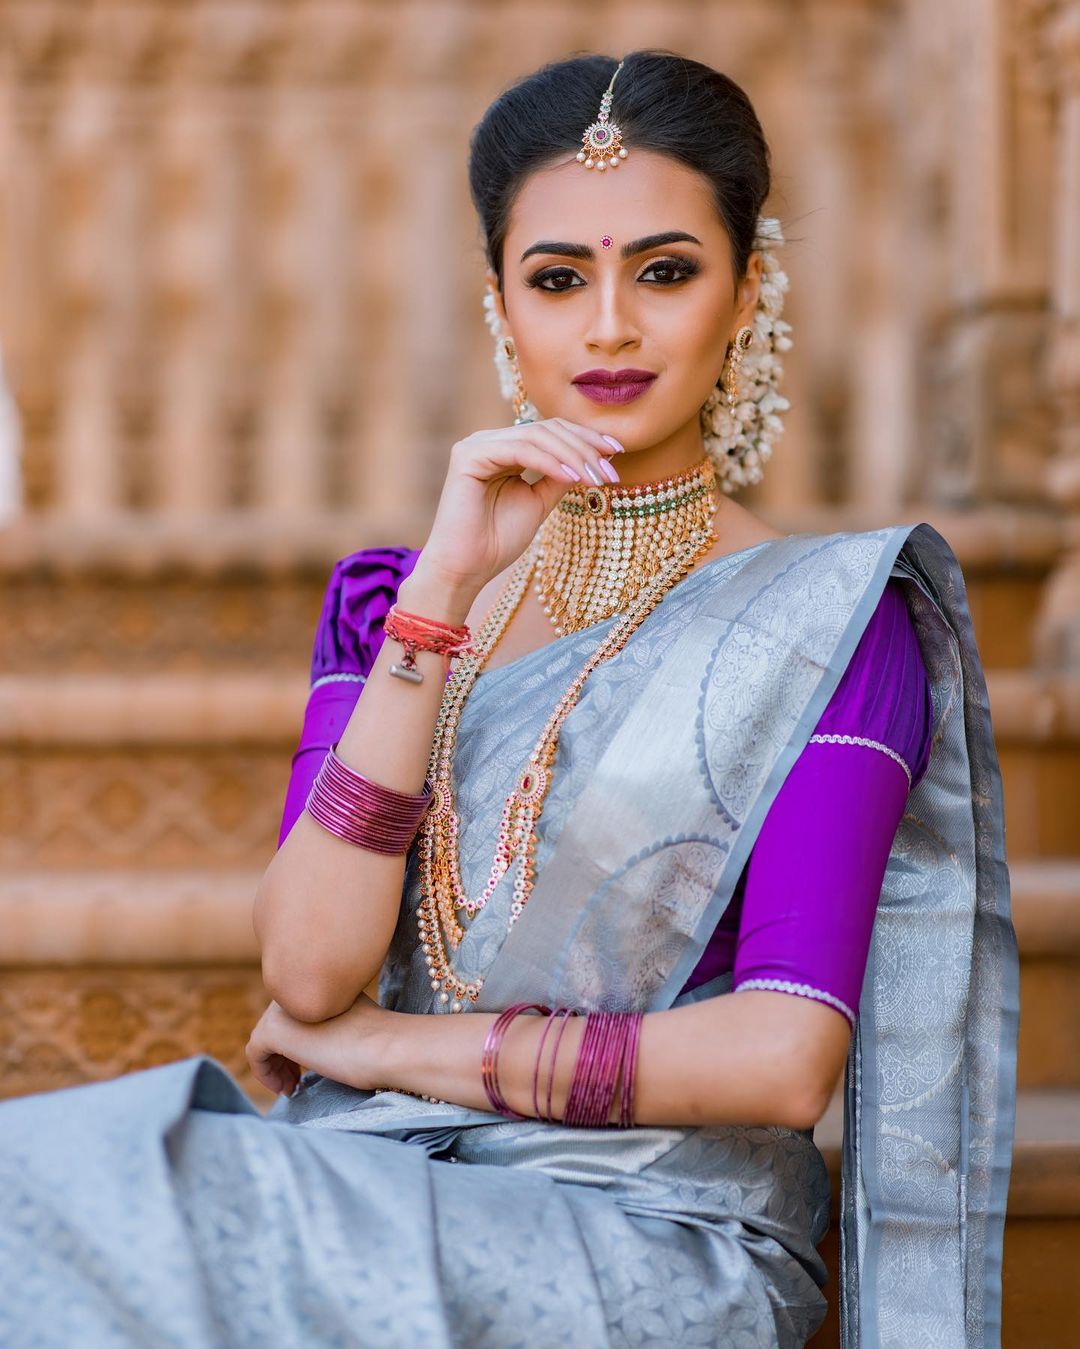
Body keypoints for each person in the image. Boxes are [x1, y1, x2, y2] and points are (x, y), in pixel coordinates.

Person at [0, 50, 1018, 1349]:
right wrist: (445, 586)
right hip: (386, 1183)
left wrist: (392, 1053)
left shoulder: (832, 620)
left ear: (748, 290)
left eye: (663, 270)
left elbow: (780, 1061)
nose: (607, 325)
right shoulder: (397, 605)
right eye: (556, 279)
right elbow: (308, 966)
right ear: (500, 306)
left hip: (661, 1230)